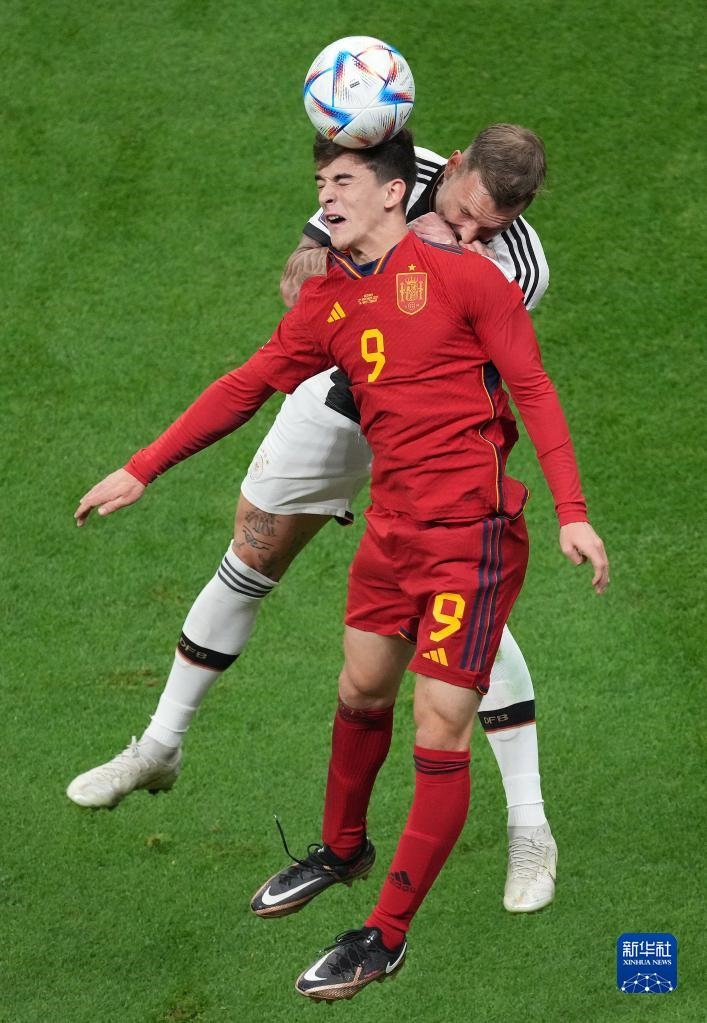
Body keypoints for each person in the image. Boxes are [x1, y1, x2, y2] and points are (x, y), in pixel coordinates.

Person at [71, 129, 609, 1000]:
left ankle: (386, 934)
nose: (325, 196)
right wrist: (143, 466)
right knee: (359, 688)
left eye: (344, 182)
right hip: (390, 529)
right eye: (322, 182)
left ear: (394, 192)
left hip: (468, 537)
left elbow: (534, 388)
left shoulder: (478, 277)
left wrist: (572, 513)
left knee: (439, 724)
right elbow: (245, 383)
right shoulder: (330, 300)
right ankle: (341, 848)